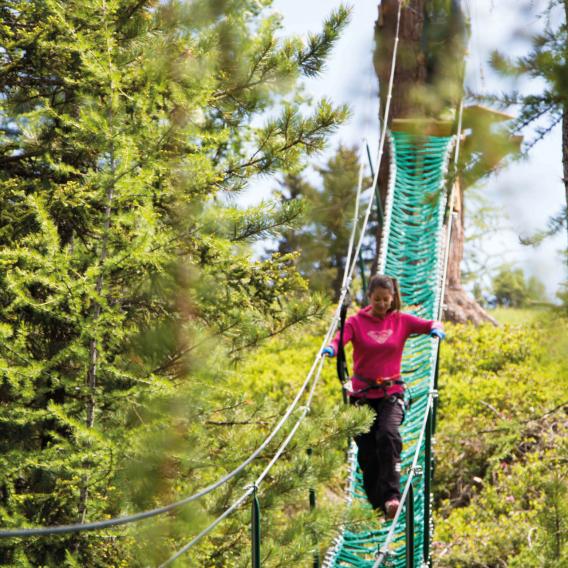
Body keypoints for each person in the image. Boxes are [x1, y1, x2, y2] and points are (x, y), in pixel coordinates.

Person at [322, 274, 445, 520]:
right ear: (369, 297)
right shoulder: (356, 322)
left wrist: (435, 329)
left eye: (385, 300)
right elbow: (340, 339)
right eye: (376, 299)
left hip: (392, 393)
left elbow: (430, 323)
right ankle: (379, 505)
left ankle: (392, 497)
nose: (380, 304)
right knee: (368, 453)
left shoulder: (401, 321)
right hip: (362, 395)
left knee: (388, 436)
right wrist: (332, 349)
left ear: (392, 300)